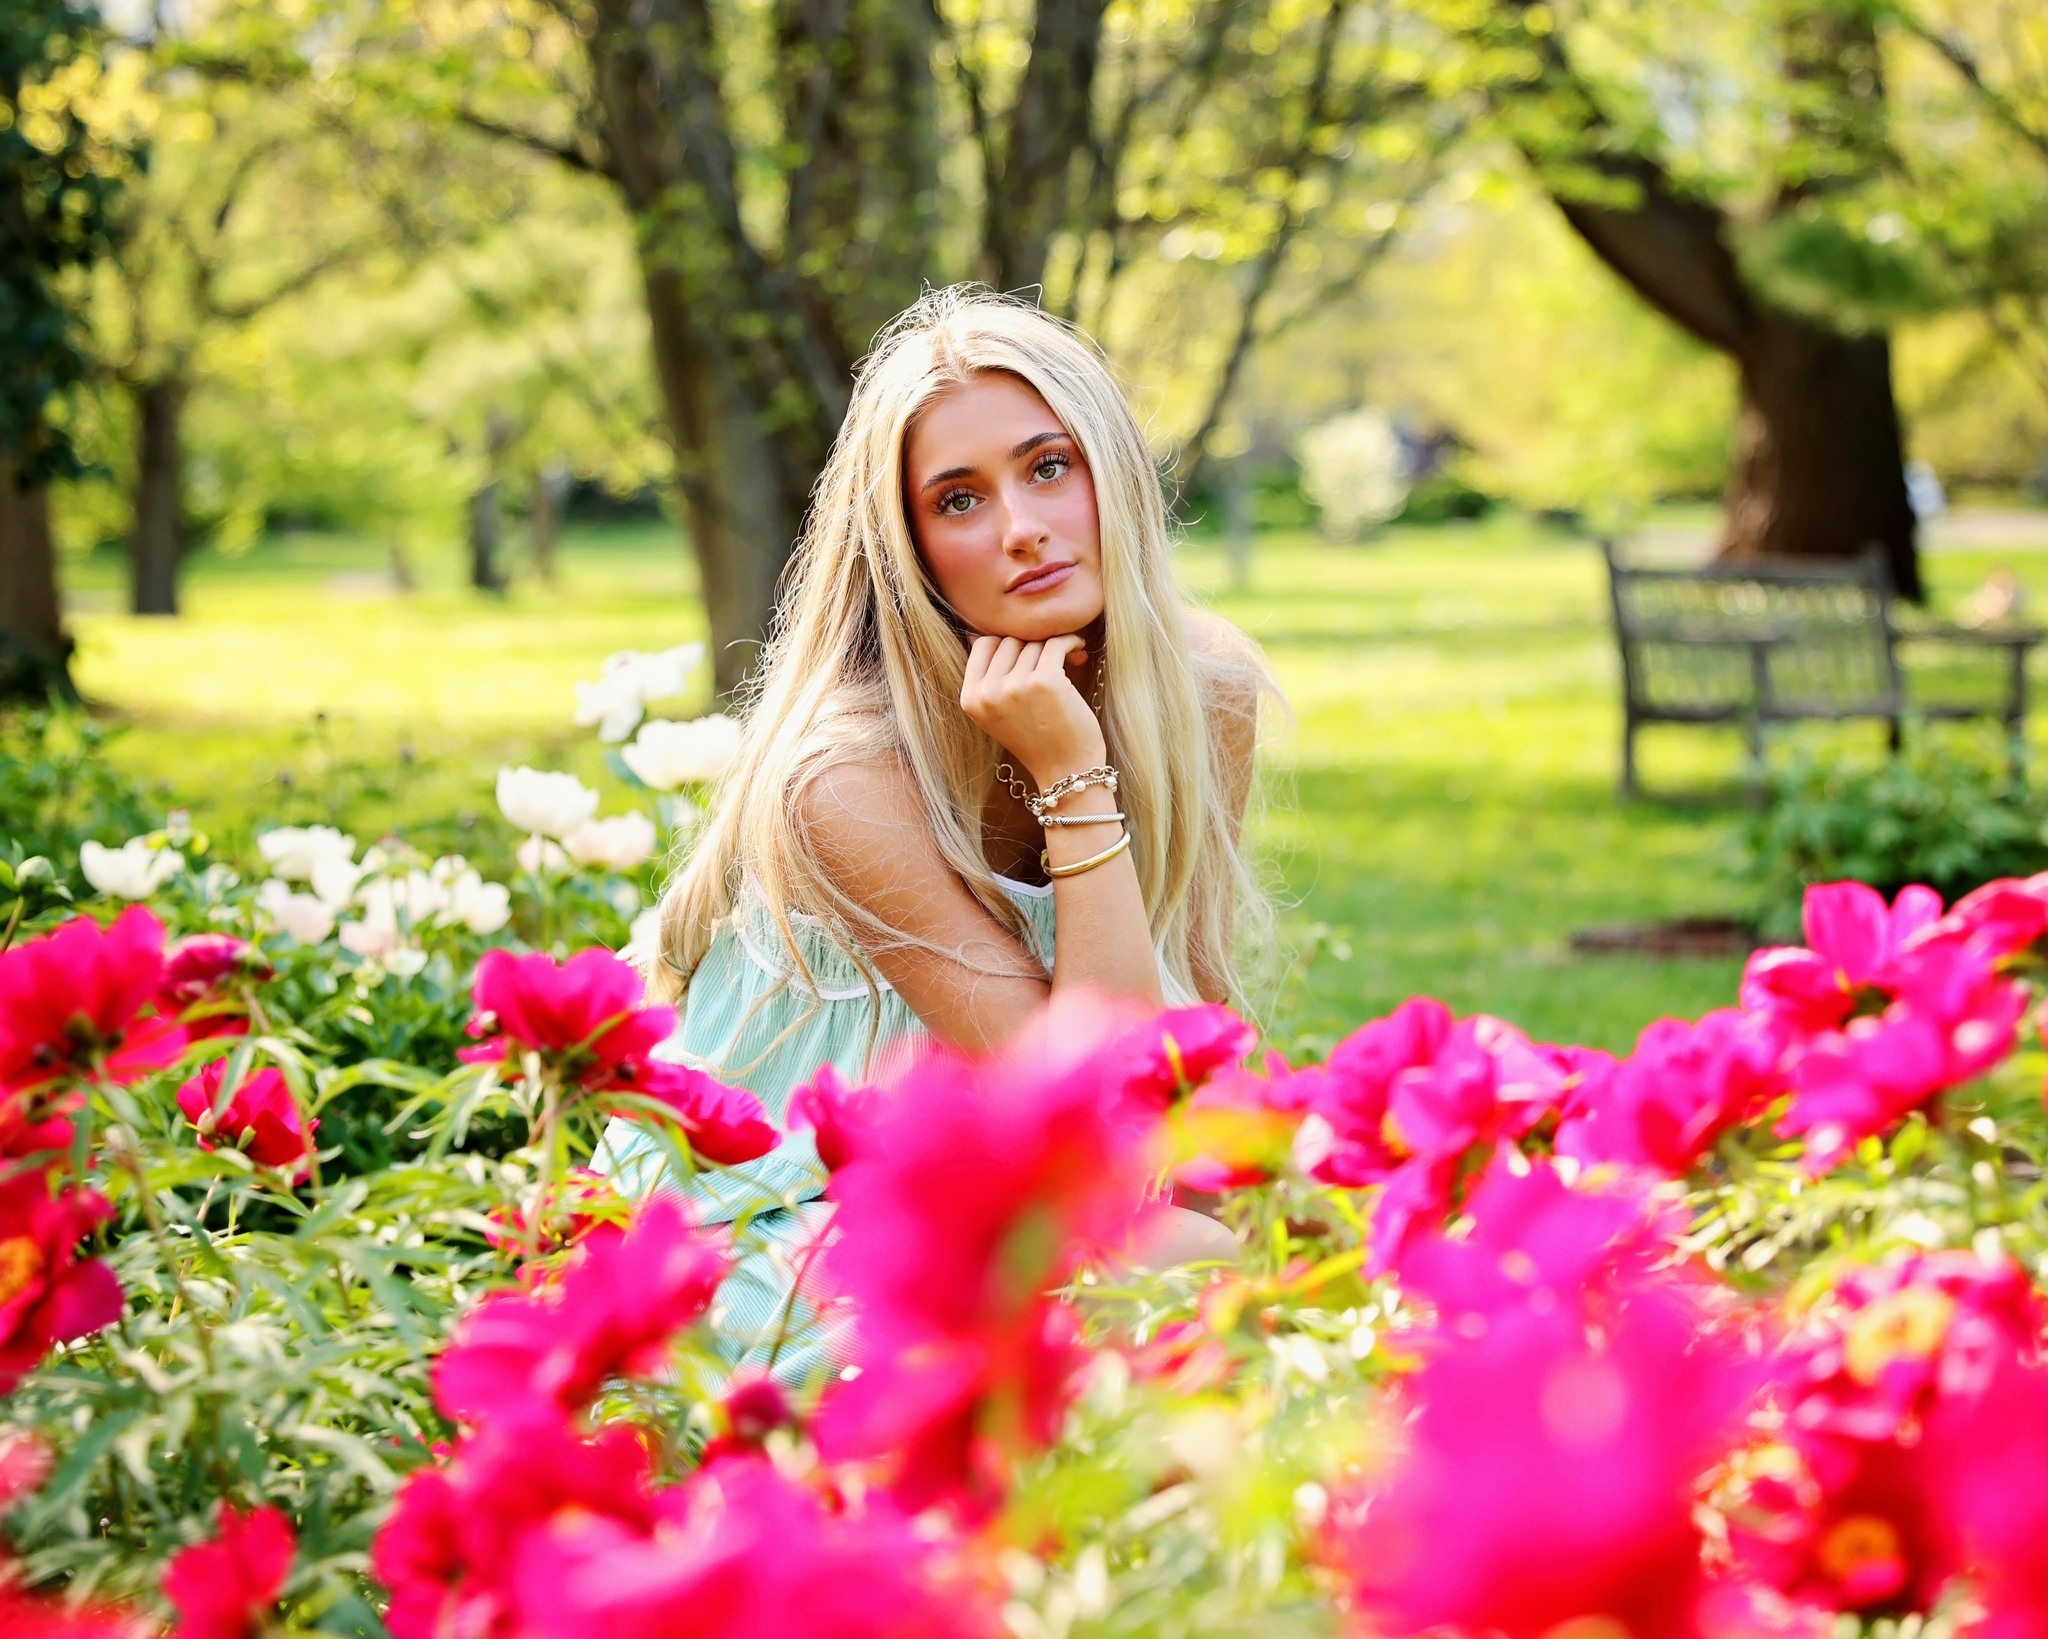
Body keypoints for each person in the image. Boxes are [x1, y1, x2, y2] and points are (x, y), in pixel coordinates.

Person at [597, 285, 1271, 1385]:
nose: (1019, 527)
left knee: (1294, 1256)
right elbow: (1092, 1118)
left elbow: (1184, 1033)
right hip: (762, 1237)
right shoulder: (845, 781)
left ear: (1111, 471)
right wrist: (1069, 772)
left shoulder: (1208, 694)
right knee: (1187, 1275)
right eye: (958, 500)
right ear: (908, 548)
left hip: (979, 1198)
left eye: (1048, 466)